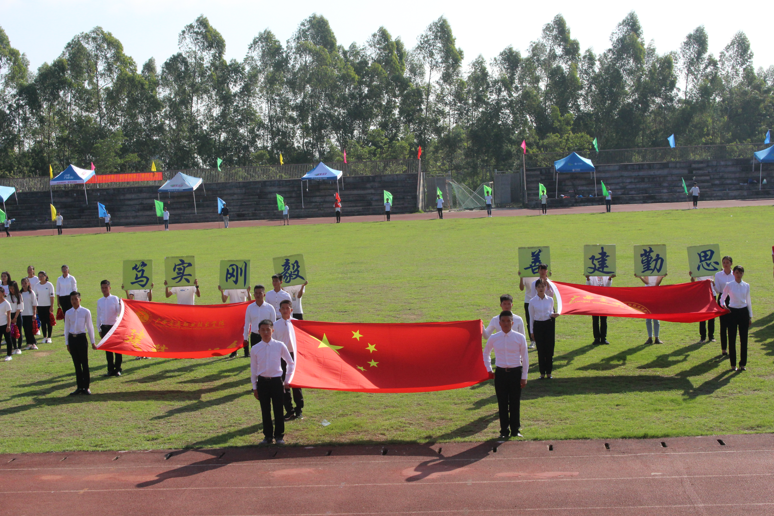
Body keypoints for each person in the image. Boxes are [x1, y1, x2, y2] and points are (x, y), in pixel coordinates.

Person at [483, 310, 528, 440]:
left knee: (514, 402)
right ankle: (504, 430)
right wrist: (489, 369)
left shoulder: (520, 338)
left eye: (508, 321)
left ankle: (515, 430)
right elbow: (486, 353)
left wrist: (524, 377)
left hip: (515, 373)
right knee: (502, 403)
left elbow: (525, 358)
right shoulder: (494, 338)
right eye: (503, 321)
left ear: (512, 323)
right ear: (499, 323)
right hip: (501, 373)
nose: (506, 323)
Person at [250, 319, 294, 445]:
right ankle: (268, 436)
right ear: (258, 331)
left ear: (272, 331)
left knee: (278, 409)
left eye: (268, 330)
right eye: (263, 330)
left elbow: (291, 363)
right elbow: (253, 369)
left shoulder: (280, 345)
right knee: (265, 410)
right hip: (262, 382)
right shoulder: (255, 348)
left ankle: (279, 436)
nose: (265, 332)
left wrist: (287, 380)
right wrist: (254, 387)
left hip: (276, 382)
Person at [275, 300, 304, 420]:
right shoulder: (275, 325)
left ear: (291, 310)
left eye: (287, 308)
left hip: (295, 356)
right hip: (281, 356)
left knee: (296, 383)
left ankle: (299, 409)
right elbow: (274, 342)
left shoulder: (297, 324)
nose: (285, 310)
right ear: (279, 310)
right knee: (283, 383)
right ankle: (289, 410)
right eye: (283, 308)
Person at [721, 265, 752, 372]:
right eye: (737, 273)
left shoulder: (746, 285)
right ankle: (733, 364)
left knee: (744, 339)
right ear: (733, 273)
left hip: (743, 312)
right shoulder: (729, 285)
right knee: (732, 338)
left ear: (743, 274)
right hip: (732, 312)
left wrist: (750, 316)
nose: (739, 275)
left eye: (740, 273)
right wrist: (724, 305)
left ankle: (743, 364)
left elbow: (748, 301)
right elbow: (722, 297)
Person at [64, 291, 96, 395]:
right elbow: (66, 328)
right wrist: (67, 343)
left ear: (80, 300)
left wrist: (93, 342)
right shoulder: (68, 313)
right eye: (72, 299)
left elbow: (90, 327)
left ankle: (86, 387)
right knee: (76, 364)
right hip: (72, 339)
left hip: (81, 338)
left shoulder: (85, 311)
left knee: (84, 363)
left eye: (76, 299)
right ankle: (79, 387)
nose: (74, 301)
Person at [529, 278, 559, 380]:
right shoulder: (532, 301)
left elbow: (550, 312)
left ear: (545, 287)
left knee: (549, 349)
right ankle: (542, 373)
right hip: (538, 325)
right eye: (539, 287)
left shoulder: (550, 300)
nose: (541, 288)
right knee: (541, 350)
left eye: (543, 286)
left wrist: (553, 315)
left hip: (548, 325)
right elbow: (531, 317)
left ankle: (549, 372)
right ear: (536, 288)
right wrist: (532, 331)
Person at [241, 284, 276, 358]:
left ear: (264, 294)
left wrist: (274, 337)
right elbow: (247, 323)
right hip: (254, 336)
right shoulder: (250, 308)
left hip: (267, 336)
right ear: (254, 295)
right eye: (256, 293)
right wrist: (245, 338)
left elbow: (274, 324)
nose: (258, 295)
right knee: (256, 358)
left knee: (267, 357)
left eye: (260, 293)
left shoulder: (270, 308)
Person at [97, 280, 122, 377]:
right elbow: (99, 316)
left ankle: (118, 369)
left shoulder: (114, 298)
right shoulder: (100, 301)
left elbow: (119, 312)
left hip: (114, 327)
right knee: (108, 350)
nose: (104, 289)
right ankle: (110, 370)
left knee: (117, 349)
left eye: (106, 287)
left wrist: (120, 304)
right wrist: (99, 329)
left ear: (109, 288)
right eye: (102, 288)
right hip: (104, 327)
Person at [219, 283, 252, 358]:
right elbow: (224, 300)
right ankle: (234, 352)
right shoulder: (229, 286)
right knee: (233, 332)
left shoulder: (243, 286)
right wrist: (222, 291)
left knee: (245, 331)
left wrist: (248, 291)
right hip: (233, 313)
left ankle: (246, 351)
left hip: (243, 313)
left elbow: (250, 299)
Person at [714, 256, 734, 359]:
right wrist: (713, 284)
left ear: (731, 263)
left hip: (732, 299)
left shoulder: (734, 274)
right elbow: (718, 290)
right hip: (722, 298)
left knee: (732, 325)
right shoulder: (718, 275)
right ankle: (724, 349)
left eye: (727, 262)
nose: (725, 264)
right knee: (723, 325)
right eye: (724, 262)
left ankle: (731, 348)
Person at [586, 274, 615, 344]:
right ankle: (596, 338)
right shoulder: (592, 275)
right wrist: (588, 278)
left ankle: (603, 338)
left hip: (604, 299)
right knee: (595, 320)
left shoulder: (606, 275)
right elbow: (589, 286)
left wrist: (610, 278)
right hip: (594, 300)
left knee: (603, 319)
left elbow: (608, 286)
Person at [637, 274, 666, 344]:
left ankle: (656, 338)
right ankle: (650, 337)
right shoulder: (647, 271)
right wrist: (640, 277)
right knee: (648, 319)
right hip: (647, 294)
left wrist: (661, 277)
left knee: (656, 318)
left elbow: (657, 283)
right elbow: (646, 282)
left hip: (656, 294)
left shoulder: (658, 271)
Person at [689, 270, 715, 343]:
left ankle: (711, 336)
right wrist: (692, 276)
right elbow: (693, 281)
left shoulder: (711, 267)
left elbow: (717, 277)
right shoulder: (697, 269)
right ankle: (703, 337)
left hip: (712, 293)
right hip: (702, 294)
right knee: (702, 316)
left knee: (711, 315)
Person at [34, 271, 55, 343]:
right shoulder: (37, 286)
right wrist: (36, 307)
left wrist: (52, 306)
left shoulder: (49, 285)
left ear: (45, 276)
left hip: (48, 306)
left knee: (49, 322)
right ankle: (44, 337)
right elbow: (36, 297)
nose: (40, 277)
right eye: (39, 276)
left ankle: (49, 337)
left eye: (42, 276)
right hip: (40, 306)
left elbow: (52, 296)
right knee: (42, 322)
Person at [20, 278, 38, 351]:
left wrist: (34, 313)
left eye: (25, 283)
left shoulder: (31, 293)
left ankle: (33, 343)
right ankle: (29, 343)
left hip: (29, 313)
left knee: (30, 329)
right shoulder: (20, 293)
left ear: (28, 283)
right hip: (22, 314)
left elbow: (34, 304)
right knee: (25, 329)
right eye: (22, 283)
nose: (24, 285)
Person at [7, 282, 23, 356]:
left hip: (17, 315)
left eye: (13, 289)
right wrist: (11, 318)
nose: (11, 290)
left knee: (19, 331)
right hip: (10, 315)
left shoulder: (19, 296)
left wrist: (15, 317)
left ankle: (19, 348)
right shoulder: (8, 296)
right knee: (12, 332)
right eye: (10, 289)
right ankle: (15, 347)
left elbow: (19, 308)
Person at [0, 289, 12, 361]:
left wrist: (8, 325)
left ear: (3, 293)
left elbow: (8, 315)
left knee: (8, 340)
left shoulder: (6, 303)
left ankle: (9, 355)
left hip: (4, 324)